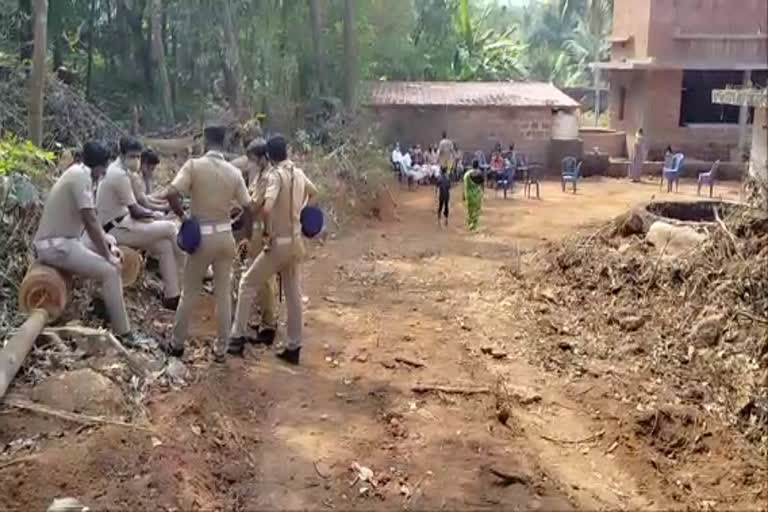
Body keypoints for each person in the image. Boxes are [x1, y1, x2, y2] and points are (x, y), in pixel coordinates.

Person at [164, 124, 254, 362]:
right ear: (224, 143)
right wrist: (239, 226)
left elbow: (171, 193)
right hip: (225, 238)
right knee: (224, 295)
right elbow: (248, 207)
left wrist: (183, 218)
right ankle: (221, 350)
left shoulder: (193, 166)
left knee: (189, 294)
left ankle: (177, 345)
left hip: (200, 237)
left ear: (204, 142)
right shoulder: (233, 173)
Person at [34, 141, 135, 345]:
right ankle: (124, 333)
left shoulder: (80, 173)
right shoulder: (81, 178)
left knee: (111, 241)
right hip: (56, 246)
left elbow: (94, 219)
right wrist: (107, 256)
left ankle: (105, 304)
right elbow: (89, 220)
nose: (104, 172)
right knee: (110, 270)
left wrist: (108, 244)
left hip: (66, 240)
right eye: (103, 168)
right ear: (98, 166)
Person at [231, 135, 317, 365]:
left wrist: (268, 233)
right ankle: (294, 346)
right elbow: (315, 192)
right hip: (296, 242)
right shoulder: (298, 173)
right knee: (293, 296)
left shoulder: (275, 176)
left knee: (247, 283)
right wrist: (300, 213)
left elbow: (266, 208)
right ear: (287, 150)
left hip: (278, 243)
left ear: (268, 156)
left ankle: (236, 338)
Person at [96, 137, 181, 310]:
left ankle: (172, 296)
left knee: (164, 245)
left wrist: (158, 211)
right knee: (171, 228)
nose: (136, 160)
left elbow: (141, 202)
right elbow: (136, 210)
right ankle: (195, 273)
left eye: (138, 156)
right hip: (115, 229)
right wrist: (158, 216)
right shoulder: (117, 174)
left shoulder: (124, 172)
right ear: (122, 154)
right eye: (132, 156)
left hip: (124, 223)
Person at [227, 138, 279, 355]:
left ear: (261, 157)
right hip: (254, 229)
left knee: (264, 279)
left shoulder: (269, 177)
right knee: (258, 277)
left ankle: (268, 325)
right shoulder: (257, 175)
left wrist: (239, 218)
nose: (249, 163)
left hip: (261, 230)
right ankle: (264, 320)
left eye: (251, 159)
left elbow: (255, 205)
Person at [463, 160, 484, 231]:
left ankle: (470, 224)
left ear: (471, 165)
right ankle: (474, 225)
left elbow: (465, 186)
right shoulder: (480, 174)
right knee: (477, 210)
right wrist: (482, 193)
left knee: (470, 210)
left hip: (469, 195)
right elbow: (482, 185)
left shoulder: (466, 175)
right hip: (477, 195)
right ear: (478, 165)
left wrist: (463, 195)